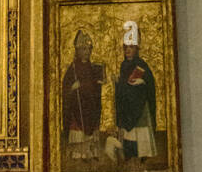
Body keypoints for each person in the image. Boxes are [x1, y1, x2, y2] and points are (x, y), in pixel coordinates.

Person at [114, 22, 157, 163]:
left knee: (141, 130)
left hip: (140, 105)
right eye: (125, 47)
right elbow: (123, 86)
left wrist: (143, 82)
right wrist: (117, 82)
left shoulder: (142, 65)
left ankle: (144, 154)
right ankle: (130, 153)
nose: (127, 50)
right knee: (129, 132)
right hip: (128, 106)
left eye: (131, 47)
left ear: (136, 49)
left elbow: (150, 84)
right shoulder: (123, 65)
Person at [61, 29, 105, 160]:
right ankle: (79, 154)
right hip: (78, 107)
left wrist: (100, 83)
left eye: (89, 49)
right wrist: (72, 87)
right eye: (84, 49)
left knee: (91, 128)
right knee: (78, 129)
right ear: (78, 50)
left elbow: (95, 84)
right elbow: (66, 88)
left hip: (90, 105)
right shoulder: (73, 68)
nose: (87, 52)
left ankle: (90, 153)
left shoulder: (93, 67)